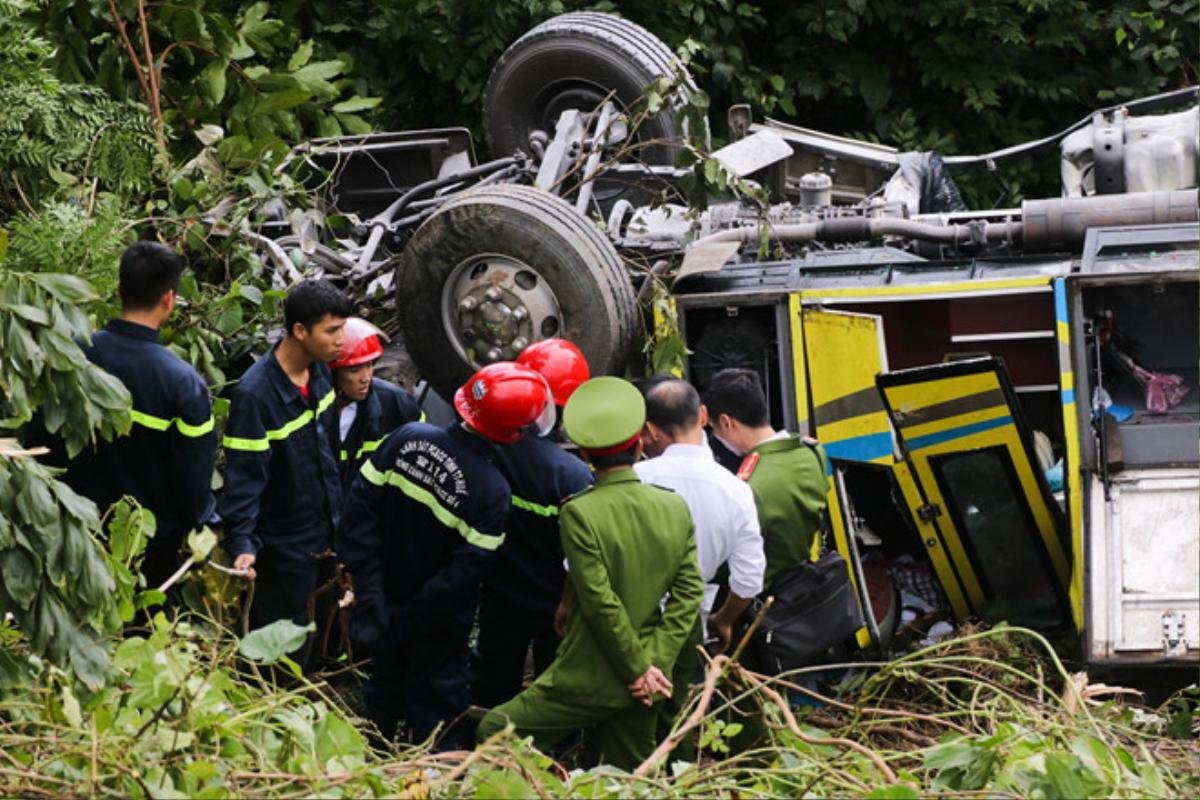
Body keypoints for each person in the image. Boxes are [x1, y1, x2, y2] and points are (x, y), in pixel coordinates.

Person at [476, 376, 704, 771]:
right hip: (647, 681)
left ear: (584, 454)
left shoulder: (580, 512)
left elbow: (600, 600)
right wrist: (654, 664)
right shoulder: (674, 507)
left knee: (492, 731)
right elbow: (688, 593)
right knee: (624, 775)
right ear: (638, 444)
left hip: (589, 675)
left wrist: (637, 668)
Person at [337, 362, 554, 748]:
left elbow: (358, 514)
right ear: (512, 434)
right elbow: (460, 579)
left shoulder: (406, 437)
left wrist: (373, 599)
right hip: (434, 627)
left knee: (382, 690)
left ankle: (371, 764)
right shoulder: (491, 492)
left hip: (380, 600)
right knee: (435, 713)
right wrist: (408, 619)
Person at [40, 241, 217, 589]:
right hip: (146, 550)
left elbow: (40, 438)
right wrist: (203, 527)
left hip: (70, 534)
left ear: (119, 290)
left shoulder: (70, 357)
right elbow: (193, 479)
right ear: (169, 299)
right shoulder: (182, 383)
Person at [220, 279, 350, 651]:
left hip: (324, 536)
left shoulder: (321, 370)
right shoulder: (255, 396)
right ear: (299, 331)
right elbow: (244, 479)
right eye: (332, 330)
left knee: (316, 632)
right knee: (282, 649)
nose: (341, 339)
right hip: (285, 551)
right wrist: (242, 543)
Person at [473, 339, 594, 709]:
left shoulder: (488, 449)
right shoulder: (570, 475)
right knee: (554, 686)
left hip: (498, 590)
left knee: (493, 681)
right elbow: (579, 552)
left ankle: (484, 740)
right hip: (552, 602)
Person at [701, 367, 827, 590]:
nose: (716, 437)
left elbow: (729, 567)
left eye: (714, 428)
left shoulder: (748, 488)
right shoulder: (813, 453)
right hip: (803, 588)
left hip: (764, 602)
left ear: (727, 422)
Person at [328, 317, 421, 492]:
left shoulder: (395, 403)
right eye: (354, 370)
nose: (366, 378)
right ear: (332, 372)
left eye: (370, 365)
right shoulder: (310, 408)